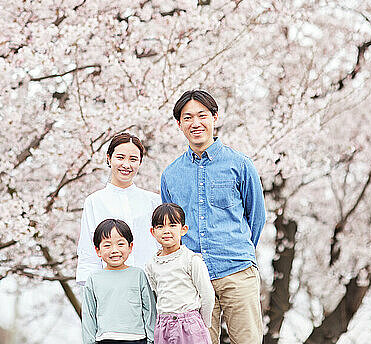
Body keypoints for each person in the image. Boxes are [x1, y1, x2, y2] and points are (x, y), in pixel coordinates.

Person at [160, 90, 266, 344]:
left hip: (237, 271)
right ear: (179, 124)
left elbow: (257, 217)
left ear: (214, 118)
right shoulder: (171, 175)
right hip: (192, 279)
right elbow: (169, 228)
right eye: (188, 118)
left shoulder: (239, 164)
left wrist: (237, 248)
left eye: (202, 116)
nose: (195, 123)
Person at [76, 132, 161, 285]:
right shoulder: (94, 202)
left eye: (133, 159)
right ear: (109, 158)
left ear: (140, 163)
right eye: (120, 157)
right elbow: (88, 252)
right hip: (110, 286)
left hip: (151, 284)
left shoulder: (153, 201)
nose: (126, 165)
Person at [145, 203, 214, 344]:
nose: (166, 231)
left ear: (183, 230)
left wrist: (202, 324)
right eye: (160, 226)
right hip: (163, 326)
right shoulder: (151, 265)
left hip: (190, 325)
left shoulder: (191, 260)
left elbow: (207, 295)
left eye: (172, 225)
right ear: (152, 232)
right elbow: (156, 294)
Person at [81, 218, 157, 344]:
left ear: (130, 247)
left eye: (120, 244)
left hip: (137, 339)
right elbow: (88, 315)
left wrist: (152, 340)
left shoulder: (138, 275)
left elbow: (149, 310)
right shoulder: (94, 279)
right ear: (97, 250)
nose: (114, 250)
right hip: (105, 340)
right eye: (107, 245)